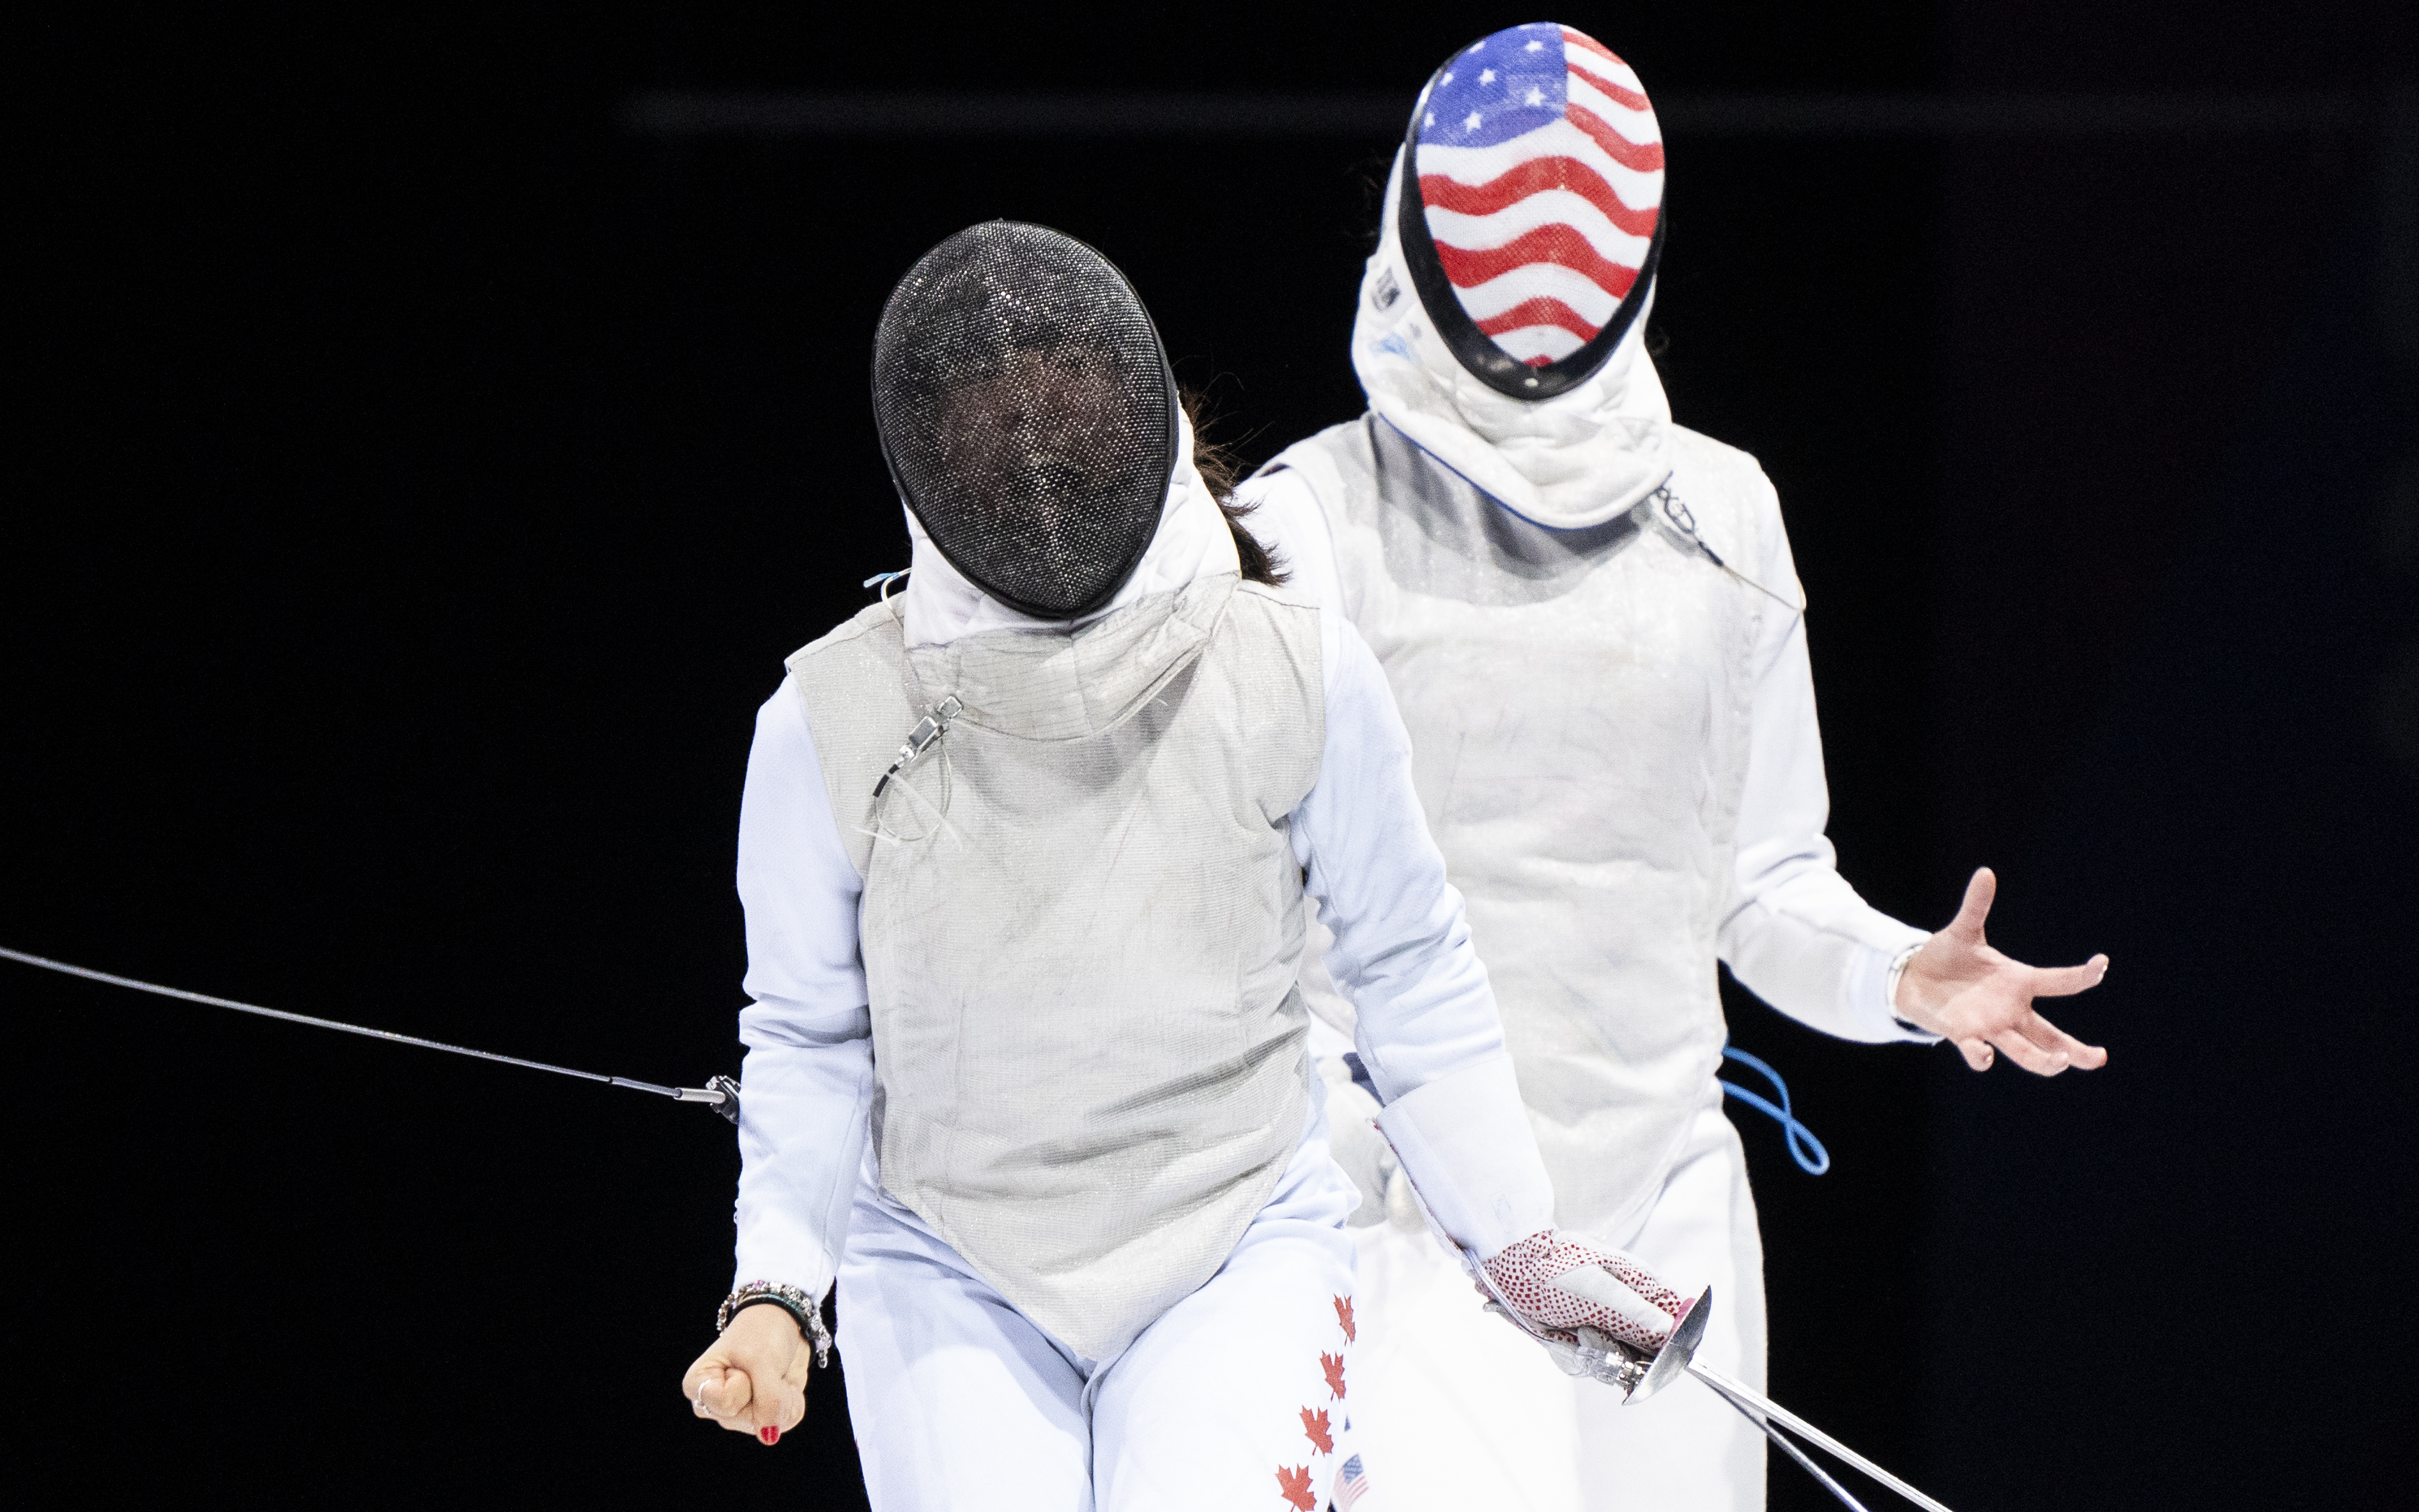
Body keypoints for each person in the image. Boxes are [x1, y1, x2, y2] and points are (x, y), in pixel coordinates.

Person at [674, 220, 1697, 1512]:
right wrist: (777, 1286)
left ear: (1128, 409)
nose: (1035, 444)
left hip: (1234, 1244)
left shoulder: (1291, 667)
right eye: (997, 419)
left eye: (1058, 404)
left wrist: (1514, 1232)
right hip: (947, 1266)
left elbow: (1407, 963)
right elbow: (813, 1034)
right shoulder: (829, 722)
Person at [1236, 25, 2112, 1511]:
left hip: (1659, 1214)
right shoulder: (1306, 527)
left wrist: (1900, 975)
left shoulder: (1727, 514)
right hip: (1403, 1217)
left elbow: (1760, 881)